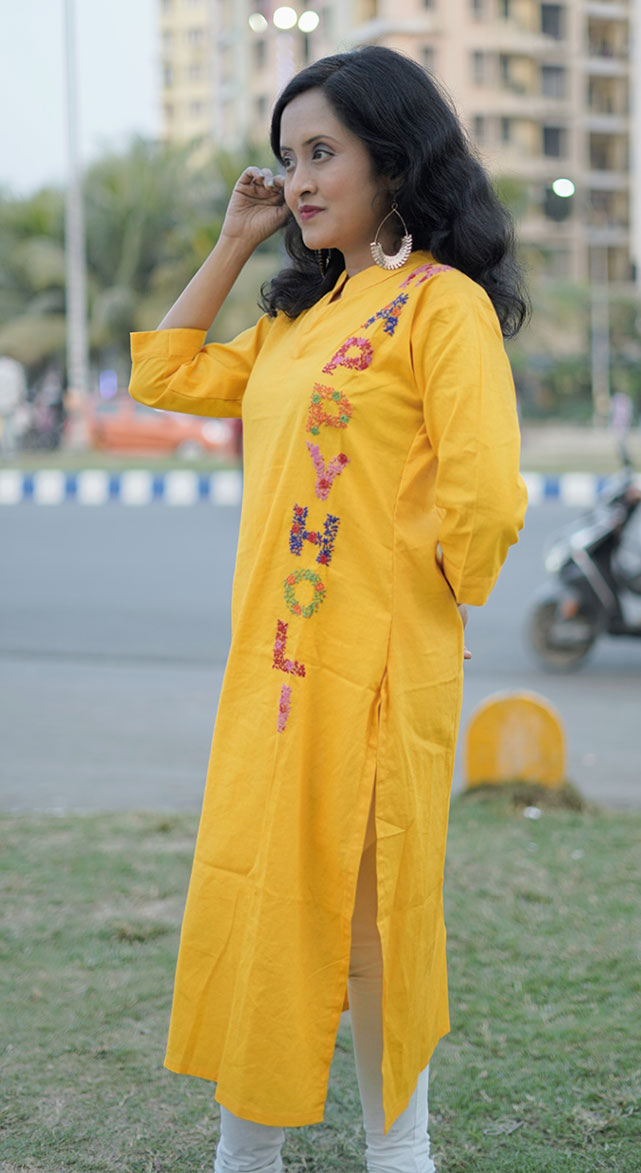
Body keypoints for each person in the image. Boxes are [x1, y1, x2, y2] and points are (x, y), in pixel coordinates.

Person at [129, 45, 528, 1173]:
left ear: (392, 161)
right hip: (273, 671)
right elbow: (165, 375)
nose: (298, 180)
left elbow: (486, 498)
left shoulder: (439, 306)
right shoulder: (301, 320)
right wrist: (233, 242)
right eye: (286, 157)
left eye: (321, 153)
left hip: (377, 670)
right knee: (268, 902)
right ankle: (246, 1152)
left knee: (372, 922)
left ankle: (400, 1151)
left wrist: (418, 604)